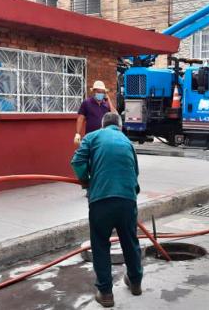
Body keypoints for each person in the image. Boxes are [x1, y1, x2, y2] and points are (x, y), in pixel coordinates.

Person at [71, 112, 143, 308]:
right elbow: (135, 173)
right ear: (119, 127)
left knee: (101, 244)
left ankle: (105, 293)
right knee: (130, 241)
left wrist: (85, 180)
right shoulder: (127, 142)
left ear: (103, 125)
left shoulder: (93, 137)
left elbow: (77, 162)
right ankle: (135, 283)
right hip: (127, 200)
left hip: (101, 199)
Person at [74, 80, 118, 145]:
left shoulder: (106, 104)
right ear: (94, 92)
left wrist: (108, 99)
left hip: (103, 138)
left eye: (102, 92)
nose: (100, 94)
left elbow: (115, 114)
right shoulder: (86, 103)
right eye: (98, 92)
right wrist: (77, 133)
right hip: (90, 137)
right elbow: (80, 118)